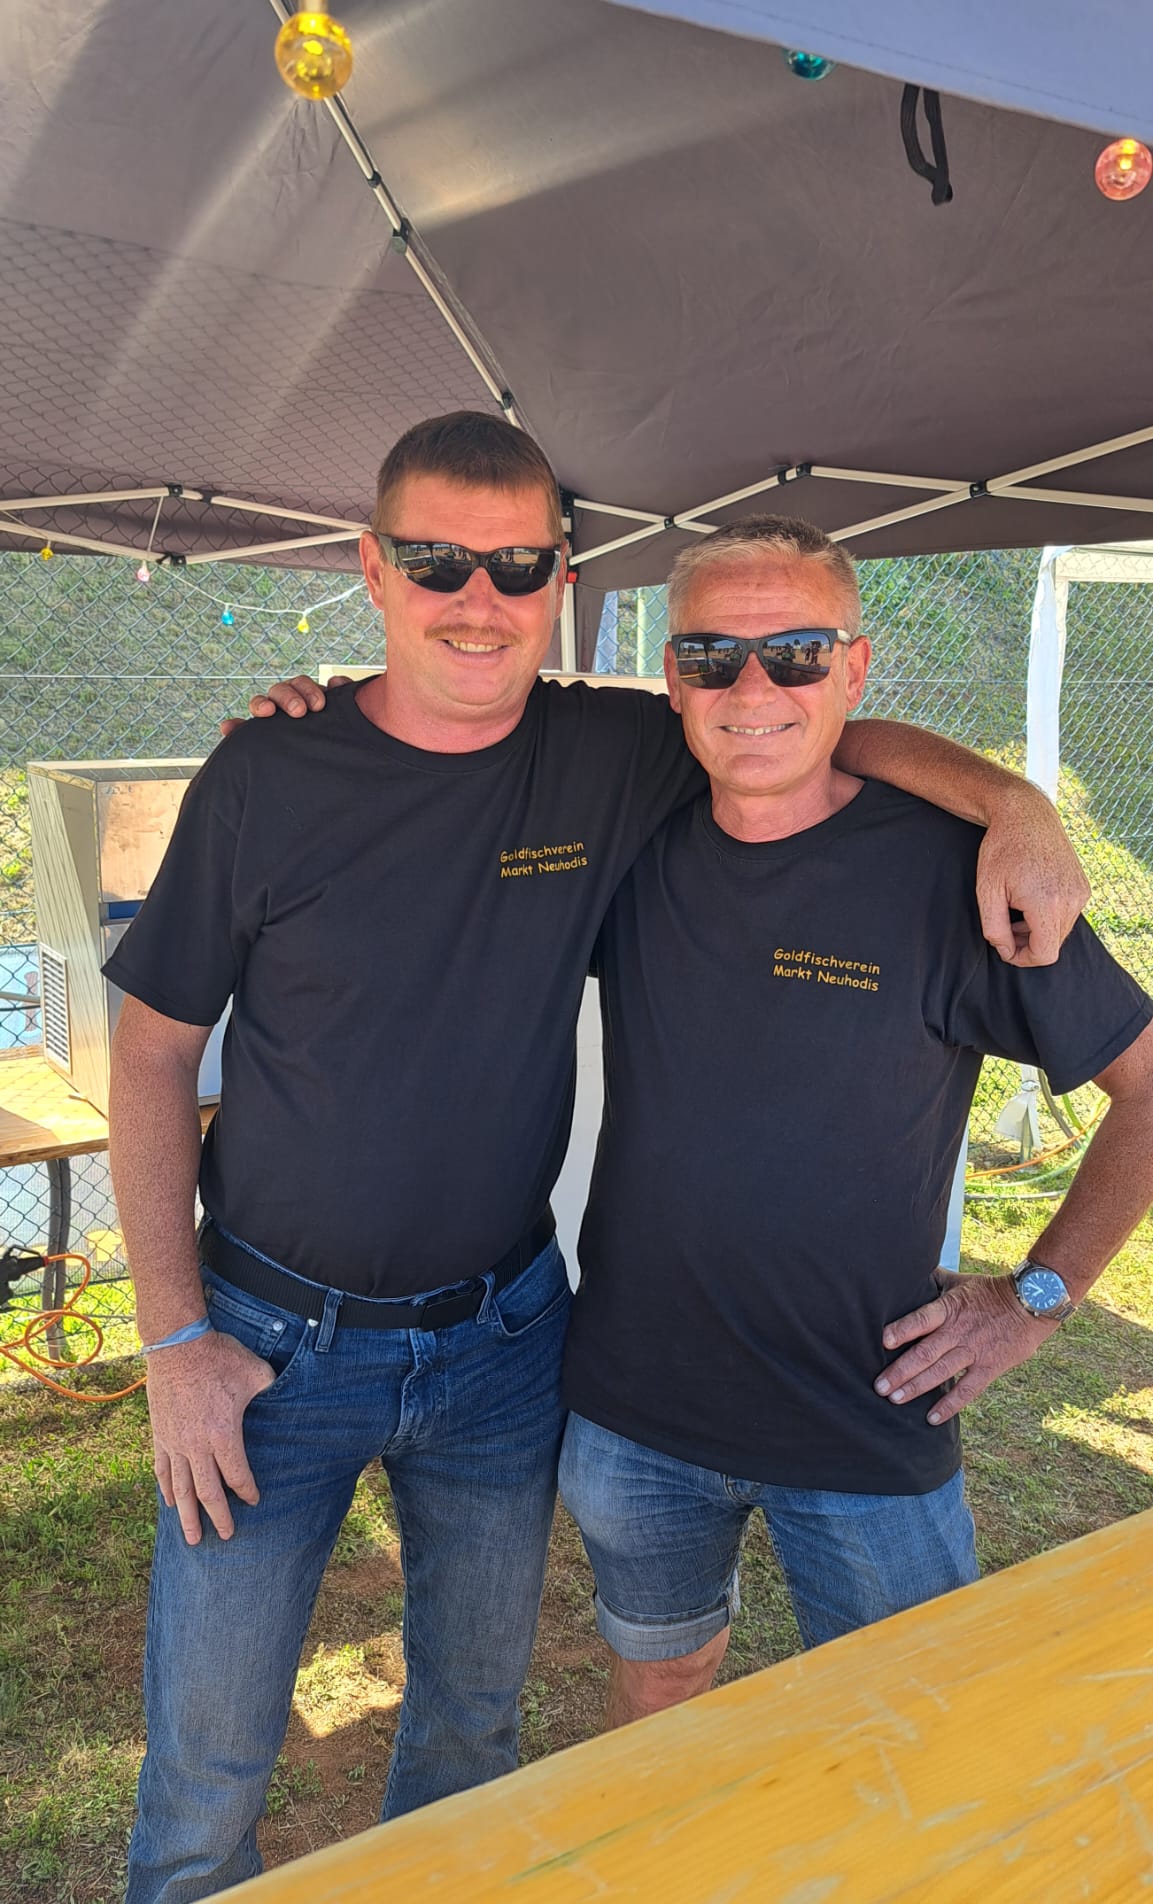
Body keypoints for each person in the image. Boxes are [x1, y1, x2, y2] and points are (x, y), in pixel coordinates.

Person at [107, 413, 1085, 1904]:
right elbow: (151, 1055)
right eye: (435, 560)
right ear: (371, 568)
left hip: (504, 1346)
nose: (476, 598)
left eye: (515, 566)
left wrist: (1012, 801)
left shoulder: (610, 748)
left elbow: (799, 715)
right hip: (266, 1347)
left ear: (561, 581)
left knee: (471, 1732)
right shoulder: (269, 773)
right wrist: (174, 1340)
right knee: (203, 1773)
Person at [555, 517, 1153, 1730]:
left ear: (855, 666)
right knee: (659, 1691)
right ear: (673, 675)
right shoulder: (634, 830)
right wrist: (310, 714)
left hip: (865, 1412)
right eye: (713, 655)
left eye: (798, 653)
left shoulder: (957, 871)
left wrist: (1036, 1297)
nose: (753, 689)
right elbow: (456, 711)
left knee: (913, 1727)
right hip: (634, 1404)